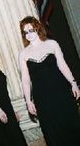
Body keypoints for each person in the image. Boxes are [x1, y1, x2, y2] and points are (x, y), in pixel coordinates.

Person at [19, 16, 80, 145]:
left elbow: (63, 65)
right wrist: (28, 101)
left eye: (31, 30)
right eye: (25, 32)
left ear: (37, 28)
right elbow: (25, 80)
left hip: (61, 91)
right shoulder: (23, 54)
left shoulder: (52, 44)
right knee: (52, 130)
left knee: (71, 124)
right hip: (42, 98)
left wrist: (73, 83)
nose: (28, 34)